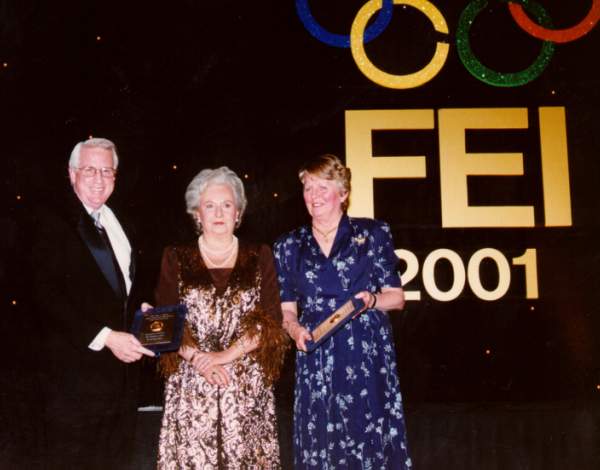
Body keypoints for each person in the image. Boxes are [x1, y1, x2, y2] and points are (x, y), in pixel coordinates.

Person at [273, 154, 412, 469]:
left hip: (364, 352)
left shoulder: (373, 234)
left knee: (369, 439)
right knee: (320, 440)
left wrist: (372, 300)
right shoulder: (288, 245)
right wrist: (294, 330)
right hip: (316, 352)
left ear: (343, 193)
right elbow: (286, 310)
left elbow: (396, 298)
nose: (314, 196)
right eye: (308, 188)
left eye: (323, 187)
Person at [31, 138, 154, 469]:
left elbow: (126, 285)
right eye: (89, 170)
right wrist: (107, 337)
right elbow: (45, 297)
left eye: (106, 171)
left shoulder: (120, 219)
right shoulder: (49, 222)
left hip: (122, 382)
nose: (99, 179)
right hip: (71, 384)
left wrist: (143, 308)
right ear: (72, 174)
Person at [154, 166, 288, 469]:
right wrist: (199, 360)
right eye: (210, 205)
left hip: (245, 386)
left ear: (237, 213)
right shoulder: (175, 256)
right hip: (191, 383)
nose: (218, 213)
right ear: (196, 213)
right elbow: (165, 323)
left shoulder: (260, 255)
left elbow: (271, 322)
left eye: (227, 205)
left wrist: (224, 356)